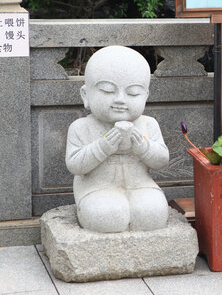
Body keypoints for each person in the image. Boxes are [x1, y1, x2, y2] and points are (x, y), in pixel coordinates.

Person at [65, 46, 169, 233]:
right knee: (108, 216)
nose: (120, 99)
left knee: (153, 214)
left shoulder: (148, 124)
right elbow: (74, 166)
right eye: (107, 90)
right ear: (85, 95)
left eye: (133, 93)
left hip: (140, 185)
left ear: (146, 96)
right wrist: (103, 147)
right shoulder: (81, 127)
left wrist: (143, 147)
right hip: (96, 189)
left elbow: (162, 161)